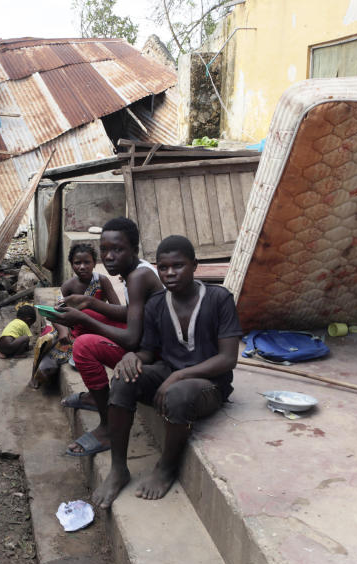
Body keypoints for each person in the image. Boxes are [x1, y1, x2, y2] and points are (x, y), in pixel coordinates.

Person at [93, 235, 241, 508]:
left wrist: (179, 375)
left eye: (178, 265)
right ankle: (118, 469)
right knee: (124, 379)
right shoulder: (157, 303)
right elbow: (148, 351)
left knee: (179, 393)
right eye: (163, 267)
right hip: (167, 375)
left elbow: (228, 358)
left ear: (195, 266)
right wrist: (131, 357)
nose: (170, 273)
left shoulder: (219, 298)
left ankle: (166, 468)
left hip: (207, 385)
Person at [45, 217, 163, 457]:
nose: (109, 256)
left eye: (118, 249)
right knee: (87, 312)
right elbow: (130, 312)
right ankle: (96, 395)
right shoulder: (136, 271)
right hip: (145, 339)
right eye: (105, 249)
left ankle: (108, 426)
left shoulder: (138, 277)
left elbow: (131, 339)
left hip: (152, 353)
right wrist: (88, 303)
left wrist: (84, 318)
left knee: (83, 346)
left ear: (134, 250)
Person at [27, 243, 121, 390]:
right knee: (45, 356)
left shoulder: (102, 281)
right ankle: (35, 375)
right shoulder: (68, 286)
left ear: (94, 263)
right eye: (77, 263)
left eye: (87, 262)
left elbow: (117, 309)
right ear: (71, 264)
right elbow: (55, 313)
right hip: (73, 332)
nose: (82, 267)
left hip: (98, 328)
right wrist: (63, 331)